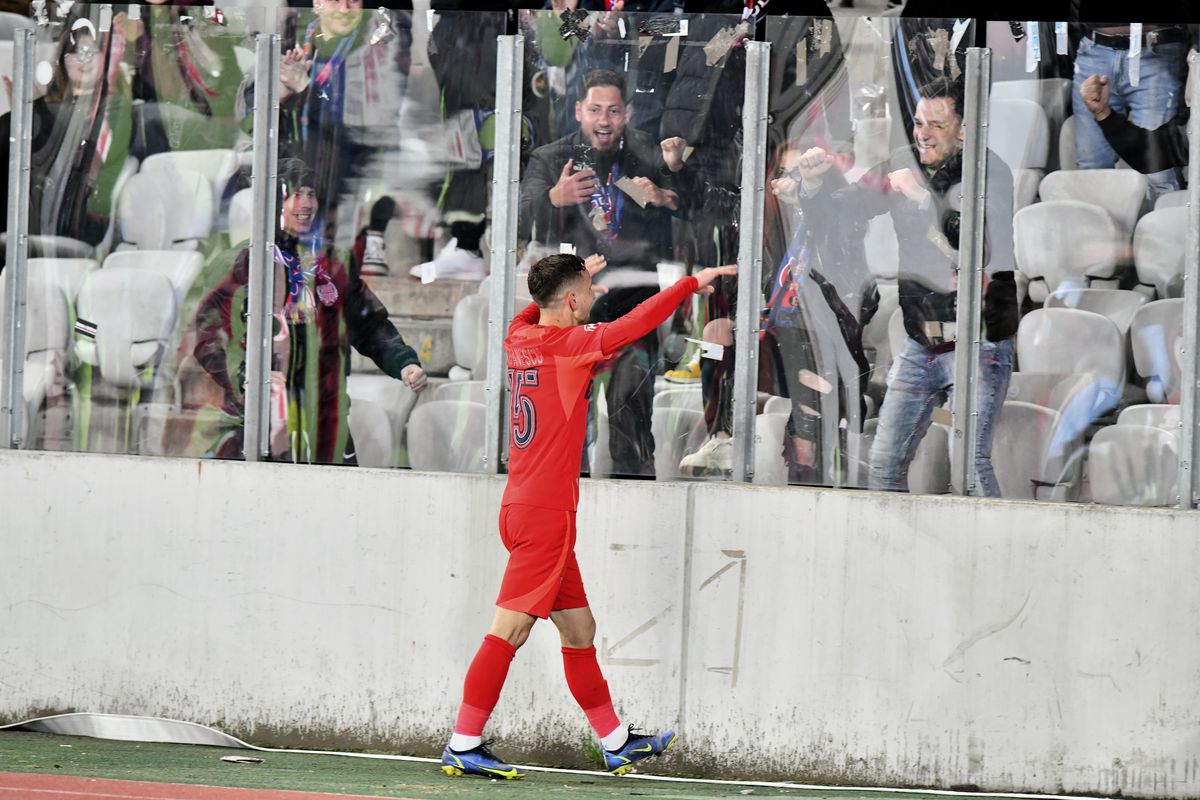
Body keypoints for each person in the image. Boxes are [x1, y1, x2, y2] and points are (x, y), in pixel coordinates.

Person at [440, 253, 736, 780]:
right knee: (507, 633)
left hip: (522, 507)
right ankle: (464, 742)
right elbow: (634, 323)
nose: (596, 294)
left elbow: (531, 312)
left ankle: (616, 742)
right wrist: (693, 283)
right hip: (545, 516)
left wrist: (565, 277)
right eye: (590, 288)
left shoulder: (519, 340)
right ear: (572, 300)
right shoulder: (570, 346)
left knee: (580, 630)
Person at [795, 77, 1017, 496]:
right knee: (883, 468)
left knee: (970, 466)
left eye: (936, 124)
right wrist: (814, 184)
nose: (923, 134)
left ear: (966, 128)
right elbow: (845, 213)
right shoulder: (903, 160)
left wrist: (923, 202)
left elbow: (976, 253)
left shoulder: (992, 173)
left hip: (979, 340)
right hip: (921, 340)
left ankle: (990, 553)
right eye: (917, 123)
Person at [192, 158, 427, 464]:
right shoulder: (240, 264)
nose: (306, 203)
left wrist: (404, 362)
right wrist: (247, 378)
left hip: (326, 425)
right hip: (259, 422)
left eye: (311, 194)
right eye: (295, 194)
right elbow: (209, 334)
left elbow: (369, 325)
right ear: (275, 202)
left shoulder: (334, 262)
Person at [518, 68, 684, 476]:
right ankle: (568, 488)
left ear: (627, 113)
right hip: (570, 307)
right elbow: (519, 218)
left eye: (612, 110)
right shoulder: (551, 158)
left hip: (632, 302)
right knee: (570, 412)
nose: (604, 120)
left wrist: (665, 194)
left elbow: (691, 204)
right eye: (594, 109)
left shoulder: (648, 153)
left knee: (630, 405)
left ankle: (633, 489)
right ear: (578, 111)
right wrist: (553, 198)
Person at [1072, 23, 1190, 199]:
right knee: (1092, 165)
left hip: (1155, 47)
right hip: (1095, 47)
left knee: (1159, 171)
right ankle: (1099, 225)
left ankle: (1164, 225)